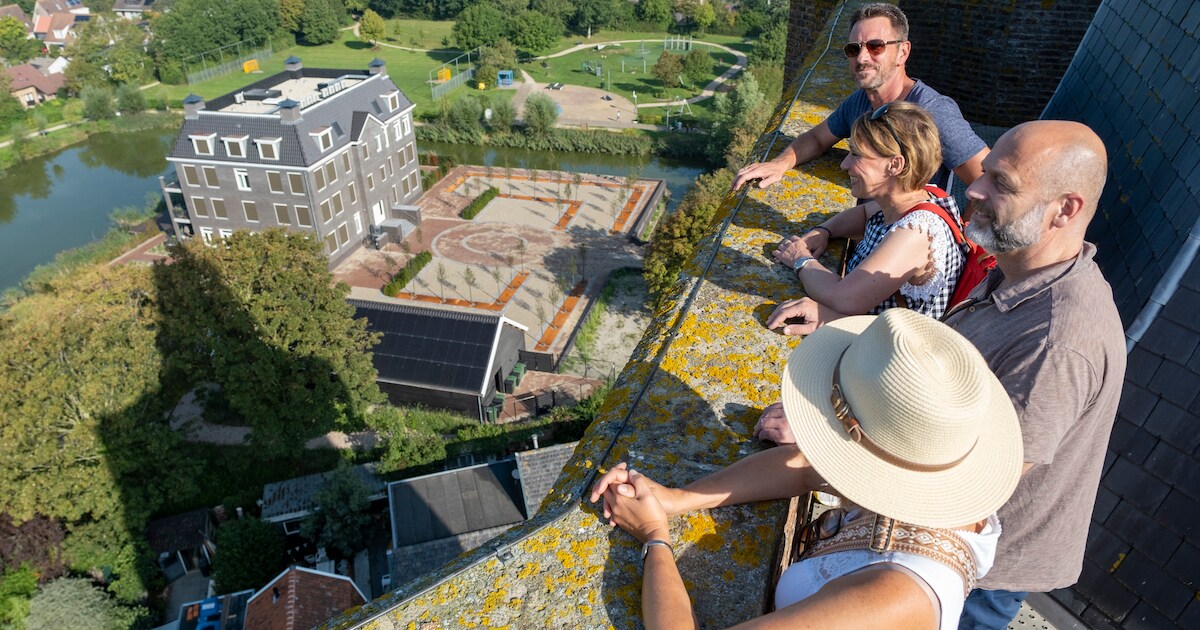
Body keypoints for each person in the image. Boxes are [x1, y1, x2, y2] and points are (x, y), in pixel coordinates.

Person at [754, 120, 1125, 628]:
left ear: (1065, 208)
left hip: (979, 571)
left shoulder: (1058, 341)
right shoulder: (1017, 269)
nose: (973, 188)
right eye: (986, 171)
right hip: (939, 542)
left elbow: (981, 478)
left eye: (1002, 183)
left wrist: (834, 436)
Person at [592, 309, 1024, 629]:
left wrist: (655, 539)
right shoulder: (928, 480)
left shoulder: (898, 595)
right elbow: (802, 468)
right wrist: (674, 500)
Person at [731, 3, 987, 196]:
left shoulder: (932, 111)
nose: (862, 58)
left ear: (902, 52)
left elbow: (989, 181)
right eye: (854, 49)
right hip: (870, 229)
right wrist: (780, 164)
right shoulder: (861, 103)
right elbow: (817, 138)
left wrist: (965, 241)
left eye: (876, 46)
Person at [768, 101, 965, 322]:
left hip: (894, 351)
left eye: (856, 154)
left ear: (895, 165)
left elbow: (844, 298)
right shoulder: (922, 195)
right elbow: (864, 215)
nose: (844, 164)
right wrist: (824, 231)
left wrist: (800, 259)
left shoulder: (916, 233)